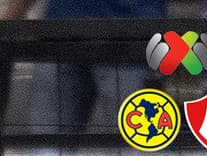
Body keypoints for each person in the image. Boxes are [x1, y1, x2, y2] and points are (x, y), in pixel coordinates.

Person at [3, 0, 165, 135]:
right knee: (47, 151)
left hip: (130, 36)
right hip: (62, 32)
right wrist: (11, 18)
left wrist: (12, 17)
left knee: (136, 148)